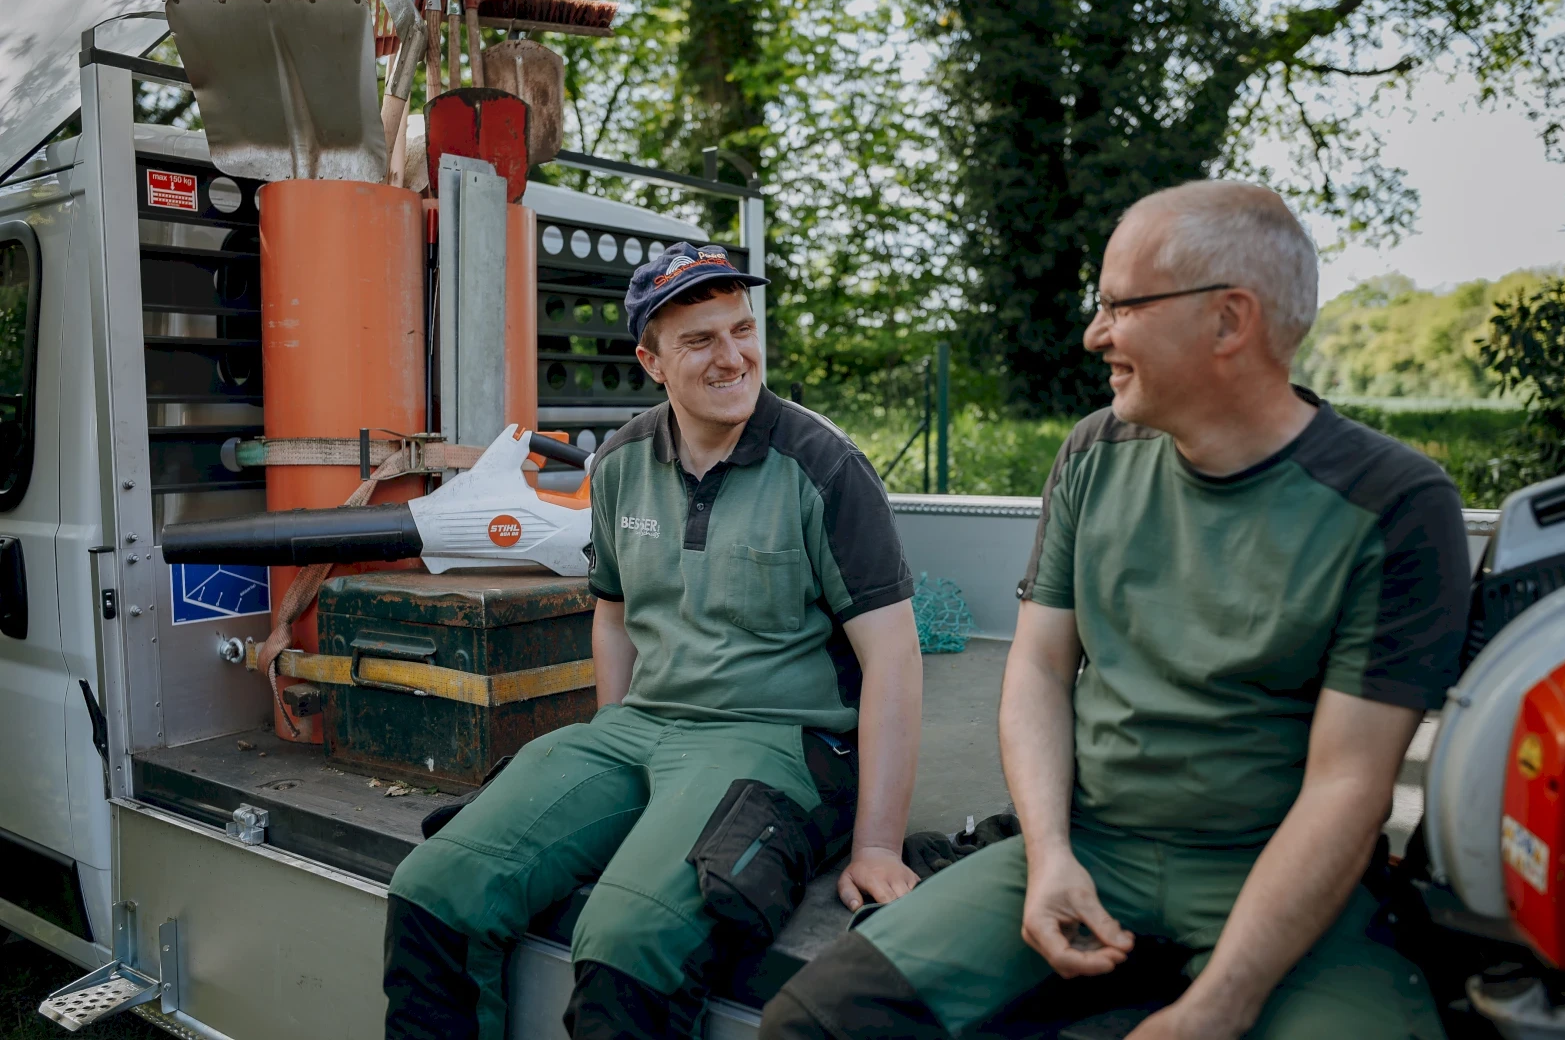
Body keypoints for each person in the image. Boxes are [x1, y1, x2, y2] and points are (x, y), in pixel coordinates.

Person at [760, 181, 1471, 1040]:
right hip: (1090, 846)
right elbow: (1038, 667)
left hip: (1282, 875)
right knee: (814, 1023)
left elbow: (1349, 786)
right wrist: (1048, 853)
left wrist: (1219, 1006)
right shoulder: (1095, 452)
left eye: (1120, 306)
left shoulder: (1393, 502)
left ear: (1229, 321)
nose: (1094, 334)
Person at [383, 242, 924, 1040]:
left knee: (626, 939)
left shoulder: (823, 466)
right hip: (641, 727)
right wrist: (613, 748)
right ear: (652, 362)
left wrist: (877, 844)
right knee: (432, 887)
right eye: (700, 340)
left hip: (773, 738)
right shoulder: (620, 463)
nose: (733, 356)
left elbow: (895, 659)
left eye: (742, 329)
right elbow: (613, 614)